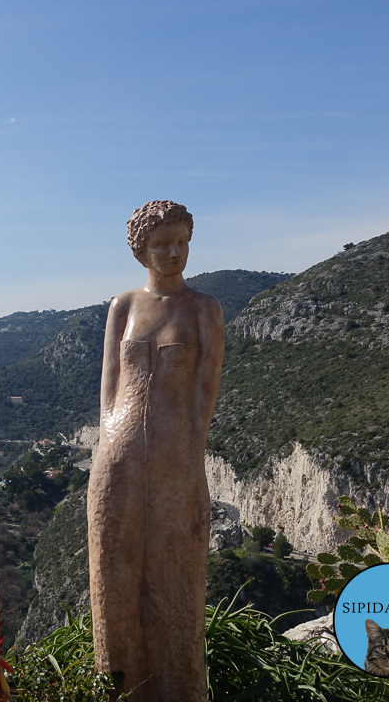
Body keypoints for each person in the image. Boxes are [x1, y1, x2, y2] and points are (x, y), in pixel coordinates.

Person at [86, 200, 224, 701]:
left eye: (183, 241)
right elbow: (109, 386)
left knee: (176, 584)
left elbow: (203, 395)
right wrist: (108, 447)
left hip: (174, 459)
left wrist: (187, 457)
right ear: (141, 249)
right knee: (114, 582)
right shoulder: (123, 306)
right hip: (117, 459)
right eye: (163, 243)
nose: (175, 252)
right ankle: (121, 690)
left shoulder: (204, 308)